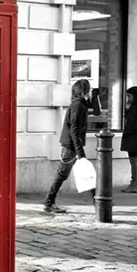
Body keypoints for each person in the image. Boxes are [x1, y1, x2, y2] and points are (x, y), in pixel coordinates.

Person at [44, 79, 100, 214]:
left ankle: (98, 201)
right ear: (84, 91)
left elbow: (97, 112)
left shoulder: (81, 104)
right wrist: (80, 152)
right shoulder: (78, 106)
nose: (90, 91)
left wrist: (95, 96)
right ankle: (48, 203)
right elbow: (74, 130)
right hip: (70, 147)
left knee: (86, 174)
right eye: (89, 89)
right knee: (63, 175)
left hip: (72, 146)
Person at [119, 86, 137, 193]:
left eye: (129, 96)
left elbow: (133, 124)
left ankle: (134, 184)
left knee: (134, 161)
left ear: (136, 96)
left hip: (133, 137)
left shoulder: (136, 109)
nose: (128, 98)